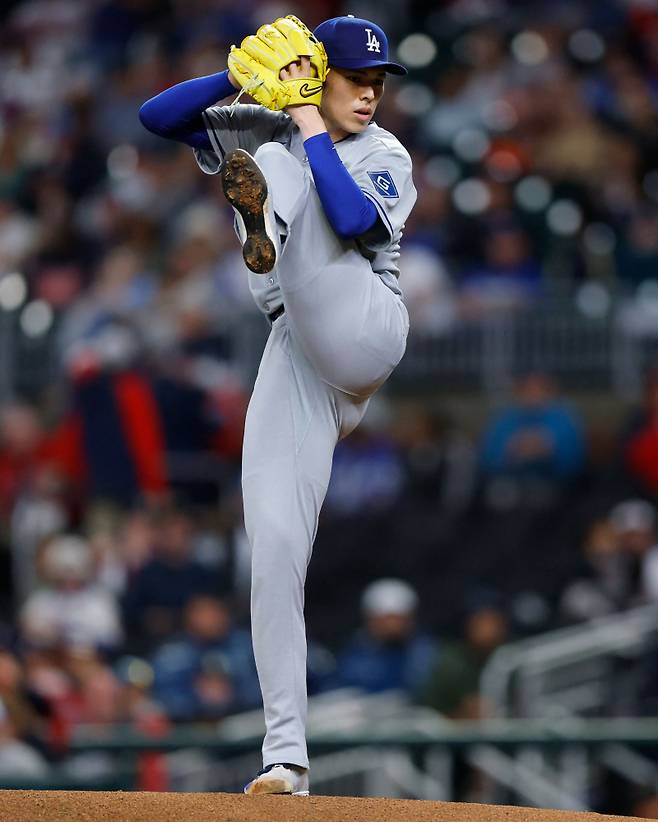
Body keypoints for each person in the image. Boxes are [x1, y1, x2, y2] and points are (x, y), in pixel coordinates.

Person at [139, 13, 416, 796]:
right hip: (294, 351)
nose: (369, 94)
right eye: (355, 79)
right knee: (273, 550)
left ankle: (265, 217)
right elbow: (154, 118)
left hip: (361, 323)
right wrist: (243, 78)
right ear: (317, 69)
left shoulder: (380, 149)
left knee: (273, 160)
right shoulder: (273, 120)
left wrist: (301, 117)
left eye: (377, 82)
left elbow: (359, 222)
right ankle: (285, 758)